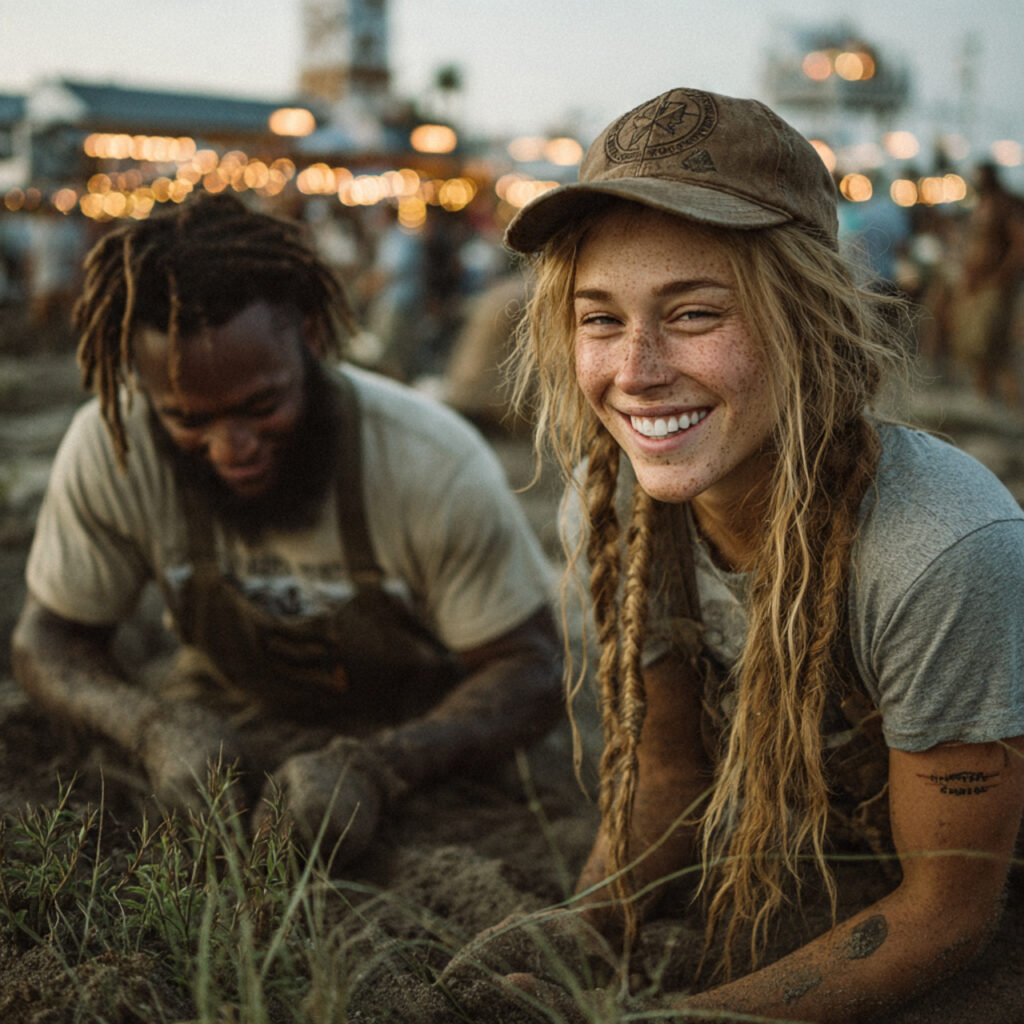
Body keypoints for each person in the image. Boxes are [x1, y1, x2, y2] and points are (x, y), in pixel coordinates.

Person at [444, 88, 1024, 1022]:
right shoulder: (619, 516)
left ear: (805, 316)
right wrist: (581, 930)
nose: (635, 371)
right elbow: (671, 776)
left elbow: (949, 913)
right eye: (600, 319)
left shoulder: (938, 548)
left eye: (694, 314)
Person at [10, 192, 562, 863]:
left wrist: (385, 766)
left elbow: (531, 668)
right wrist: (154, 728)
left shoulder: (429, 461)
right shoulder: (111, 447)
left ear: (309, 335)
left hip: (421, 726)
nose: (229, 447)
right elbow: (48, 638)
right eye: (189, 420)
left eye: (261, 405)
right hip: (225, 703)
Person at [950, 160, 1024, 407]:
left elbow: (1019, 246)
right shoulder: (979, 204)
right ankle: (985, 399)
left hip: (994, 285)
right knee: (974, 345)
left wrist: (1000, 277)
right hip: (975, 283)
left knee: (994, 344)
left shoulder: (1006, 205)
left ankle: (1010, 404)